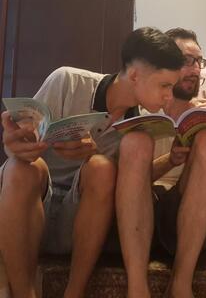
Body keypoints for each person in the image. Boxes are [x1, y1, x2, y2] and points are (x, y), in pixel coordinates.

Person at [0, 27, 184, 298]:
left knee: (102, 168)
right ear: (135, 75)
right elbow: (22, 141)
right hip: (30, 206)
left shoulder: (144, 126)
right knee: (21, 168)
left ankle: (74, 292)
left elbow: (134, 185)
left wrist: (171, 159)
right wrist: (15, 144)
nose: (169, 95)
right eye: (165, 85)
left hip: (81, 217)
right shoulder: (67, 82)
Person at [117, 27, 206, 298]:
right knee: (135, 143)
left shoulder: (205, 116)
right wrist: (169, 160)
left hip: (185, 212)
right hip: (139, 206)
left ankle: (180, 284)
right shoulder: (140, 107)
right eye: (185, 61)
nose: (195, 70)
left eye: (198, 61)